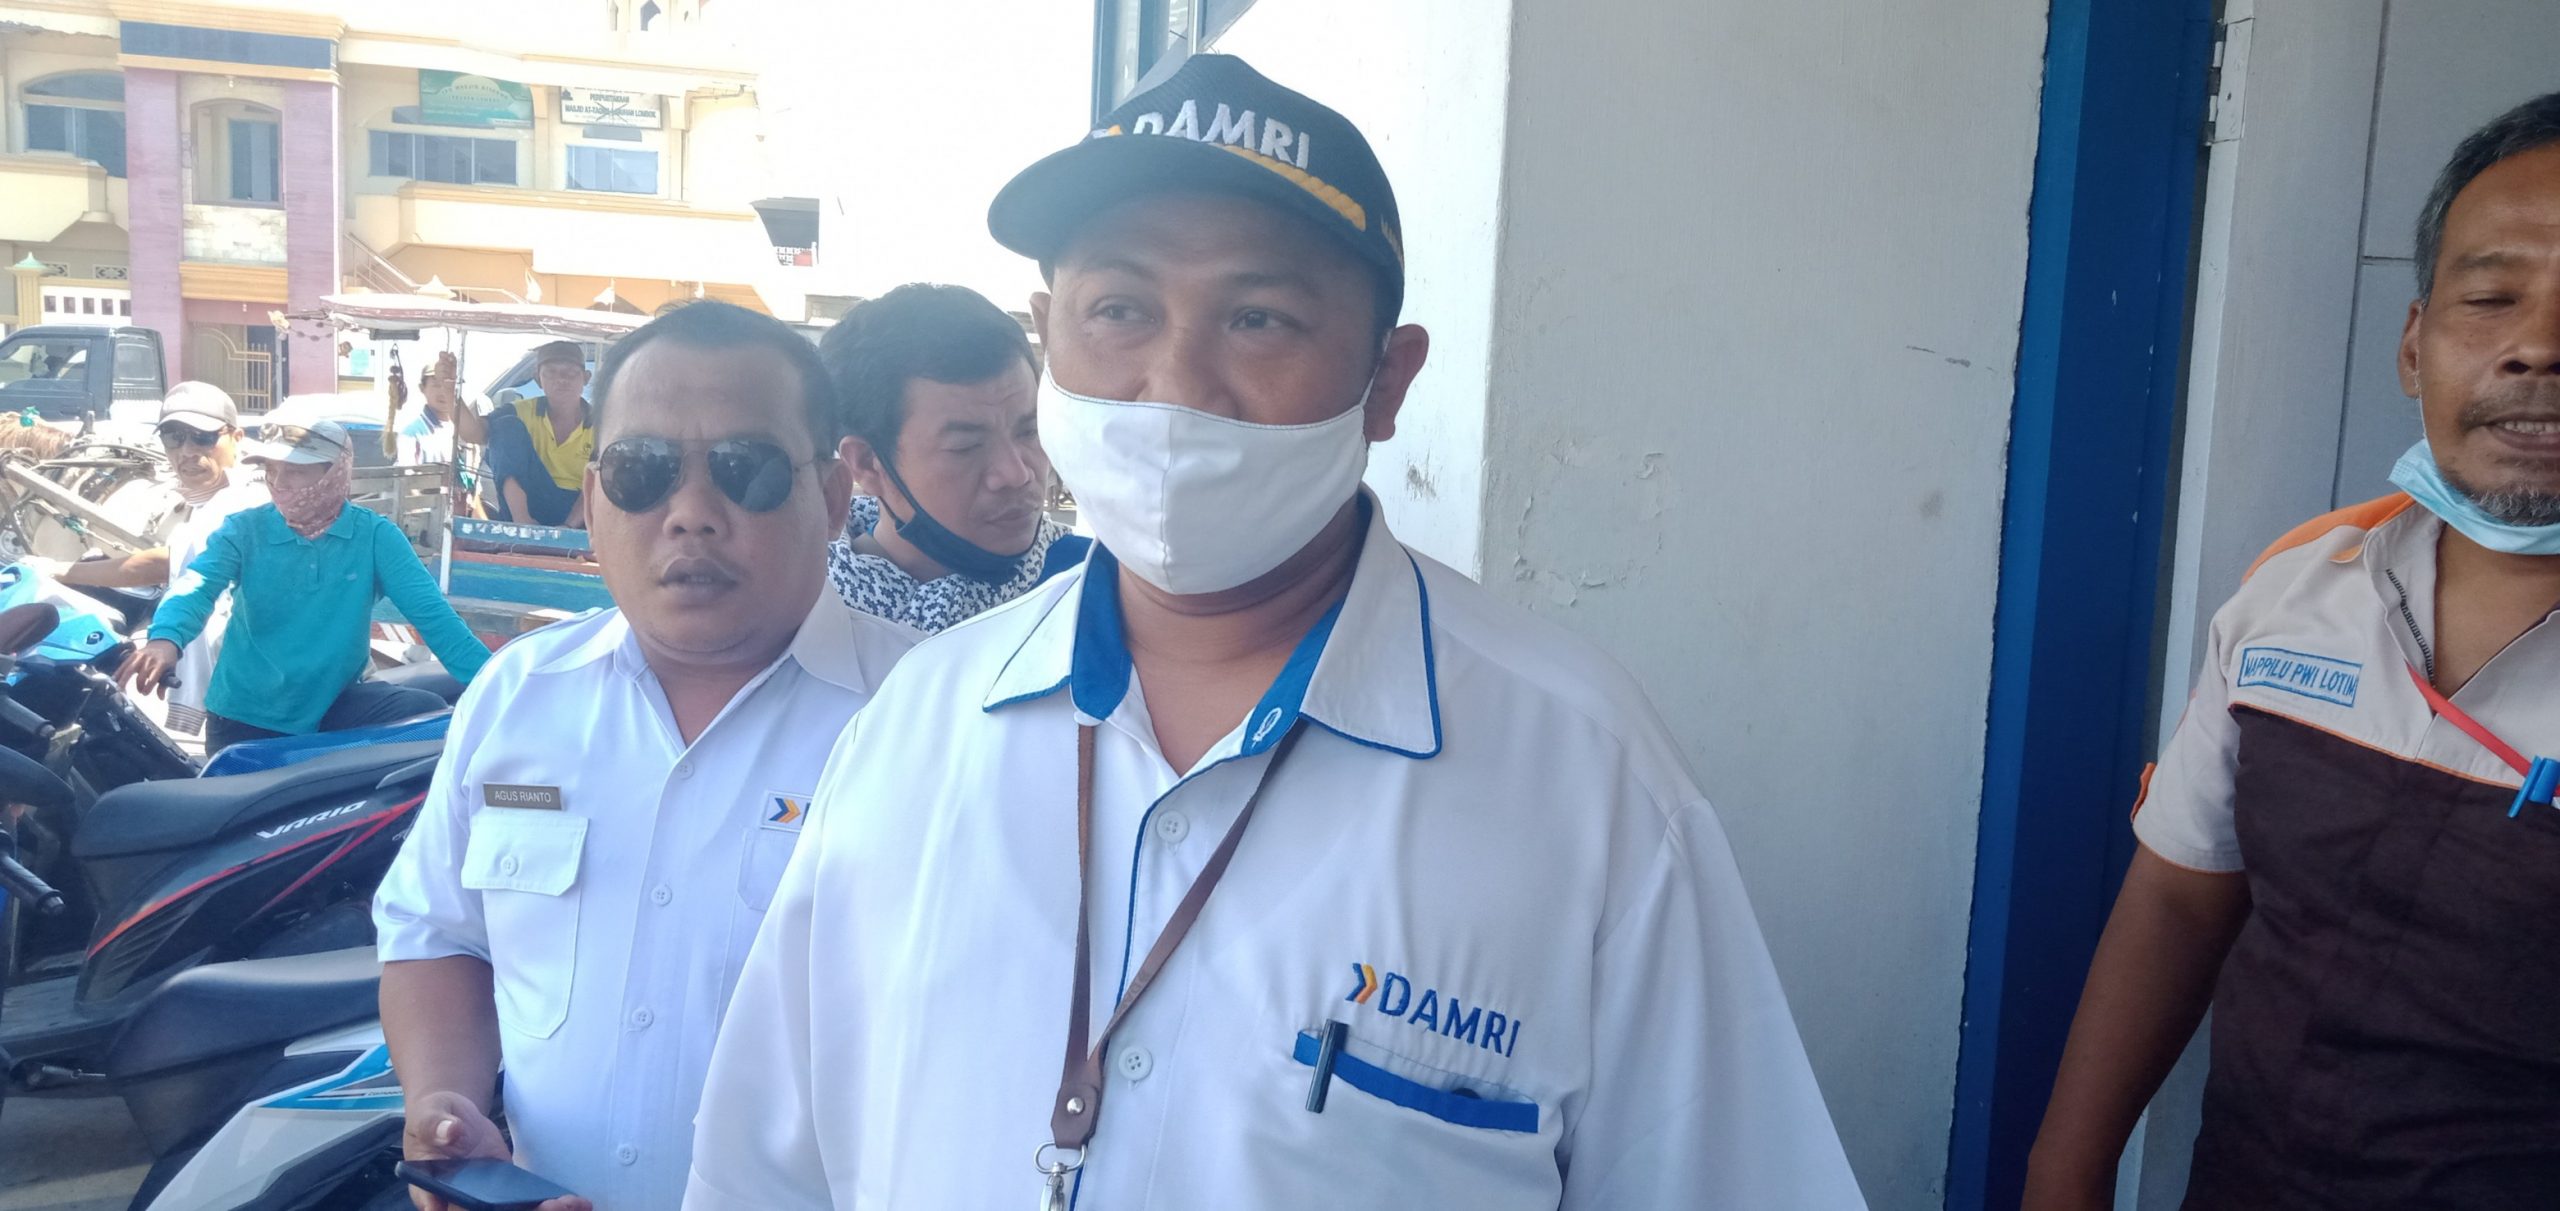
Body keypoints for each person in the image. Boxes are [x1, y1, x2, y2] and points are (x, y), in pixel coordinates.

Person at [684, 55, 1863, 1210]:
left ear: (1386, 381)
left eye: (1257, 317)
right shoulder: (916, 725)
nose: (1174, 383)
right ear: (1046, 336)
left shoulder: (1586, 779)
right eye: (1118, 309)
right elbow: (760, 1168)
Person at [2026, 92, 2560, 1209]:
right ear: (2413, 344)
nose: (2538, 347)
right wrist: (2063, 1175)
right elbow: (2179, 898)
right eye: (2490, 298)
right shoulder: (2300, 590)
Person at [374, 302, 919, 1211]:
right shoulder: (517, 698)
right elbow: (440, 934)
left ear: (831, 499)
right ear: (594, 502)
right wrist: (444, 1105)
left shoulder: (932, 718)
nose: (692, 514)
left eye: (745, 470)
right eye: (642, 471)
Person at [118, 404, 491, 753]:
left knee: (428, 714)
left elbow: (436, 620)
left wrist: (498, 686)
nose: (280, 482)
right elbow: (196, 586)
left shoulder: (375, 537)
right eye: (272, 469)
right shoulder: (244, 530)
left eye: (295, 470)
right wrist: (166, 639)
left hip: (334, 704)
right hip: (245, 713)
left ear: (335, 472)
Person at [822, 282, 1088, 632]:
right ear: (867, 464)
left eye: (1030, 431)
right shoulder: (799, 621)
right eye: (966, 447)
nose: (1017, 473)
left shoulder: (1101, 589)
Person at [46, 382, 266, 737]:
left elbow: (166, 566)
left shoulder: (242, 500)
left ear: (236, 438)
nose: (187, 451)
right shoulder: (215, 500)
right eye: (173, 438)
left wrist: (60, 571)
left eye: (203, 437)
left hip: (253, 692)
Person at [472, 341, 593, 528]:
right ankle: (522, 522)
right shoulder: (519, 411)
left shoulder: (603, 423)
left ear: (586, 378)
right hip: (529, 501)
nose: (561, 380)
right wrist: (451, 396)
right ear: (537, 379)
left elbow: (598, 482)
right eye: (551, 373)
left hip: (579, 510)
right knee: (504, 426)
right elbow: (474, 434)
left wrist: (568, 526)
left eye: (570, 373)